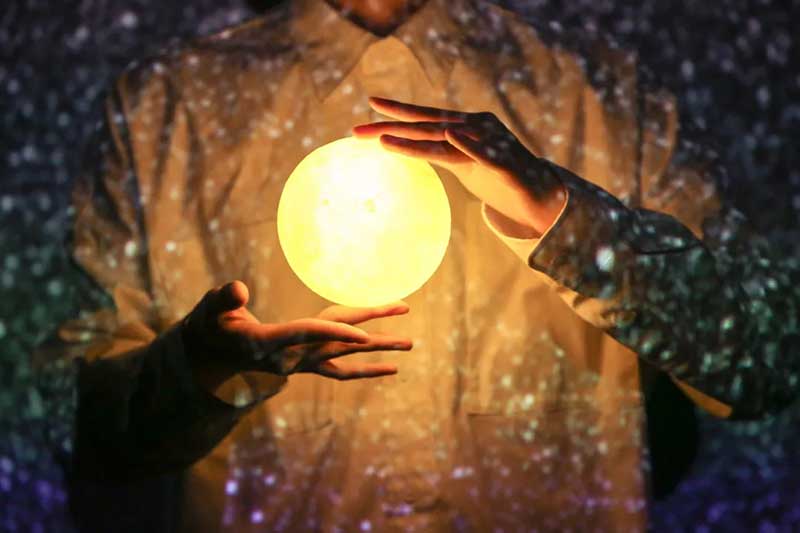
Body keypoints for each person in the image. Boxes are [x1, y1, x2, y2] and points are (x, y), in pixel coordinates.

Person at [57, 0, 799, 530]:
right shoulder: (169, 107)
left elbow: (766, 358)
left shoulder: (599, 92)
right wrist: (200, 368)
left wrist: (567, 219)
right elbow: (82, 433)